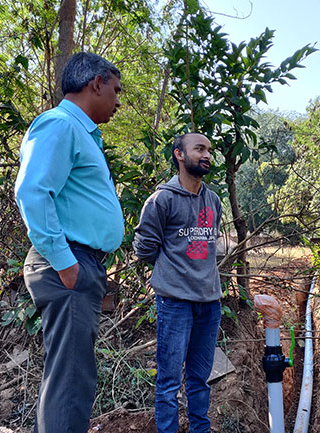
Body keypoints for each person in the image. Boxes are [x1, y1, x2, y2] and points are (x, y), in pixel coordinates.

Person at [14, 52, 123, 432]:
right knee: (70, 384)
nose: (118, 100)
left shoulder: (80, 132)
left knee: (69, 379)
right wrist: (66, 263)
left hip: (79, 263)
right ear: (96, 83)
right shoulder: (60, 125)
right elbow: (33, 192)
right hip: (68, 264)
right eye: (115, 89)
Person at [133, 133, 223, 433]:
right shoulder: (161, 200)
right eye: (199, 149)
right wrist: (173, 274)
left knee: (200, 378)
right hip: (175, 304)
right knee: (169, 380)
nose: (207, 154)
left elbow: (211, 245)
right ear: (179, 155)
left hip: (210, 302)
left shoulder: (213, 200)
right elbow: (145, 248)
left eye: (209, 150)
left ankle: (200, 429)